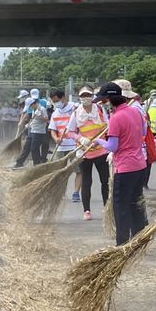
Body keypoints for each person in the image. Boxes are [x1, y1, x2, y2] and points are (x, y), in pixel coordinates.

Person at [91, 82, 147, 245]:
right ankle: (140, 238)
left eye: (103, 101)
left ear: (110, 99)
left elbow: (113, 146)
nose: (103, 104)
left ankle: (122, 243)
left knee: (121, 207)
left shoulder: (116, 118)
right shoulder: (136, 111)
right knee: (136, 203)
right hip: (140, 165)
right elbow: (143, 132)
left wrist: (99, 141)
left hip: (125, 168)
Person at [67, 85, 110, 221]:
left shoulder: (100, 110)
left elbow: (108, 127)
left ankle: (106, 208)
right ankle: (86, 210)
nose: (86, 98)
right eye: (83, 95)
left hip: (102, 151)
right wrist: (80, 138)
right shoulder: (76, 113)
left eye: (88, 95)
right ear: (79, 97)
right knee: (87, 182)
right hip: (85, 152)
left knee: (105, 181)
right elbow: (70, 132)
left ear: (92, 96)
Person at [21, 97, 49, 165]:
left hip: (39, 132)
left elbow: (46, 120)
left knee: (34, 148)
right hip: (32, 130)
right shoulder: (34, 109)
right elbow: (34, 119)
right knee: (27, 147)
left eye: (30, 106)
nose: (30, 107)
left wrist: (40, 117)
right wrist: (29, 124)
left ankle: (36, 165)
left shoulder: (42, 109)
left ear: (33, 104)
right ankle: (19, 162)